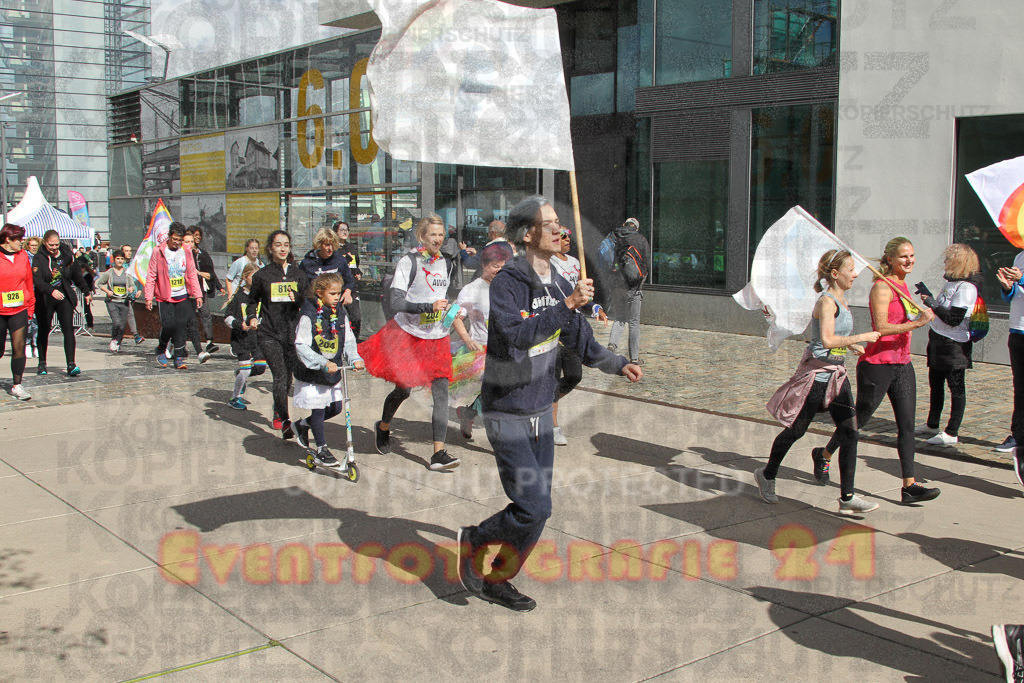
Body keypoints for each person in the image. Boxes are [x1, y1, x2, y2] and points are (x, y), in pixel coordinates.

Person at [457, 195, 642, 611]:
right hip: (507, 411)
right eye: (550, 224)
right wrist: (568, 304)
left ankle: (498, 580)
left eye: (560, 222)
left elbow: (581, 341)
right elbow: (516, 337)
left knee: (537, 511)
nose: (559, 230)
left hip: (541, 410)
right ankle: (476, 538)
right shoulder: (508, 282)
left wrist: (618, 364)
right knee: (534, 505)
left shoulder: (559, 281)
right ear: (528, 234)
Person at [754, 250, 881, 515]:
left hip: (837, 376)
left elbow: (834, 340)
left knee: (850, 432)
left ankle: (847, 497)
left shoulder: (842, 300)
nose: (855, 275)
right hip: (817, 378)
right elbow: (827, 340)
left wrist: (851, 346)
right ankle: (767, 474)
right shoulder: (826, 302)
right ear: (835, 273)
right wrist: (861, 337)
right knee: (796, 430)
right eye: (850, 270)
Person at [817, 237, 940, 504]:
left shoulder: (902, 285)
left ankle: (909, 486)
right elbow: (882, 327)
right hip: (877, 365)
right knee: (858, 422)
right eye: (904, 256)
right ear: (890, 259)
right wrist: (918, 323)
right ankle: (824, 454)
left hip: (902, 363)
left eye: (912, 255)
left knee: (907, 425)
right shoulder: (882, 287)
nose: (909, 260)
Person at [359, 214, 460, 471]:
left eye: (441, 234)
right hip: (409, 334)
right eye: (432, 234)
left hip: (437, 336)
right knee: (403, 390)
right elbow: (396, 302)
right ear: (421, 236)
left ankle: (438, 454)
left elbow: (443, 295)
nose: (437, 239)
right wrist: (428, 306)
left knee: (441, 393)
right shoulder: (409, 262)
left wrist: (451, 309)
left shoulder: (448, 263)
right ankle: (383, 427)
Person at [291, 272, 364, 466]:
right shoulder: (308, 314)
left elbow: (348, 340)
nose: (337, 297)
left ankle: (302, 425)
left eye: (339, 293)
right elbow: (301, 345)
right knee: (319, 409)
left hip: (333, 369)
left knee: (336, 407)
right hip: (314, 370)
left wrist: (355, 358)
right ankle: (321, 449)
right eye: (332, 294)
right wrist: (322, 362)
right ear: (319, 293)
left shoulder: (340, 312)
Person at [914, 244, 982, 447]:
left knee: (956, 387)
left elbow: (954, 318)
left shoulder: (966, 288)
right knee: (936, 384)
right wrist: (930, 298)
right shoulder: (951, 283)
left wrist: (932, 303)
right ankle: (932, 423)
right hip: (938, 339)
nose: (944, 262)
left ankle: (952, 432)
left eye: (948, 259)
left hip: (954, 344)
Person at [246, 230, 309, 439]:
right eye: (278, 244)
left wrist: (297, 297)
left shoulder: (298, 274)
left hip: (291, 333)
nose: (282, 249)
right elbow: (252, 301)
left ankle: (277, 408)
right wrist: (252, 317)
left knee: (288, 377)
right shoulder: (262, 276)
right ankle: (284, 420)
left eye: (286, 245)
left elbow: (308, 301)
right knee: (280, 375)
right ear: (270, 248)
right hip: (269, 333)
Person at [451, 241, 513, 439]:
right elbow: (454, 317)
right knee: (496, 388)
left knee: (501, 389)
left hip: (506, 348)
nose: (499, 271)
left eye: (503, 267)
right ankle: (501, 435)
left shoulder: (508, 287)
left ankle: (469, 413)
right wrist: (467, 339)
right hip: (481, 350)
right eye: (495, 266)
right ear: (484, 265)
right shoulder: (471, 289)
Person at [550, 225, 606, 445]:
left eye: (569, 237)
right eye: (563, 237)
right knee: (553, 377)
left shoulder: (574, 263)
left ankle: (543, 407)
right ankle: (552, 425)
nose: (567, 240)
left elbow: (582, 295)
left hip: (573, 327)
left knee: (574, 375)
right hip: (554, 326)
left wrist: (594, 307)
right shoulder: (547, 262)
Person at [144, 222, 203, 370]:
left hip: (182, 295)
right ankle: (161, 347)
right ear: (169, 236)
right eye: (175, 239)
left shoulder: (186, 251)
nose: (177, 242)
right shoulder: (158, 251)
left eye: (180, 240)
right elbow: (151, 275)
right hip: (164, 296)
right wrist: (148, 297)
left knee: (181, 326)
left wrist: (198, 294)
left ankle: (178, 357)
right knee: (169, 325)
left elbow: (191, 273)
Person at [33, 230, 90, 376]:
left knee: (68, 329)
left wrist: (86, 291)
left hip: (64, 295)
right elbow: (37, 281)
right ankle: (42, 363)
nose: (54, 248)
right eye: (51, 245)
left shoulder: (67, 256)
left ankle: (71, 364)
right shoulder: (39, 258)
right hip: (45, 297)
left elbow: (77, 275)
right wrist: (50, 290)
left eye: (56, 245)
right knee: (44, 329)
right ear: (45, 243)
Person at [996, 253, 1024, 486]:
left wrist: (1022, 278)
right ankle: (1018, 435)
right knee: (1020, 388)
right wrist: (1008, 287)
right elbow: (1014, 296)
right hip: (1017, 330)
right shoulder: (1020, 256)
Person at [223, 263, 266, 410]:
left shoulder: (262, 297)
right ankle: (234, 398)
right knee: (246, 369)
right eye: (253, 277)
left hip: (257, 339)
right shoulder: (238, 296)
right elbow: (227, 317)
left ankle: (240, 374)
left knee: (260, 368)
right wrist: (239, 324)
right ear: (245, 277)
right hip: (241, 339)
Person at [606, 217, 650, 364]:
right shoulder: (641, 239)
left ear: (624, 225)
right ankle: (634, 358)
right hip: (634, 287)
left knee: (619, 318)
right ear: (636, 228)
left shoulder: (615, 237)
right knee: (633, 323)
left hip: (618, 286)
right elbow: (648, 262)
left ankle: (612, 345)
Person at [0, 223, 35, 400]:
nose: (22, 242)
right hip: (0, 311)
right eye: (18, 239)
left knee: (19, 347)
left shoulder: (22, 256)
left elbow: (28, 281)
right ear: (8, 239)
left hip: (19, 309)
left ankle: (17, 385)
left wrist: (30, 306)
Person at [298, 227, 355, 307]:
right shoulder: (307, 263)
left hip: (335, 304)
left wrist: (348, 292)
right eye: (327, 245)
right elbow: (301, 286)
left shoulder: (340, 260)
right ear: (319, 244)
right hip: (314, 305)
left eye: (332, 245)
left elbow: (349, 280)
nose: (330, 248)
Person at [189, 226, 224, 353]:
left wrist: (219, 286)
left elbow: (211, 272)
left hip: (201, 289)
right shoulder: (183, 254)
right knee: (187, 317)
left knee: (206, 314)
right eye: (195, 235)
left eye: (199, 235)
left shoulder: (202, 254)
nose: (198, 237)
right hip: (187, 291)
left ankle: (209, 341)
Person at [178, 232, 210, 364]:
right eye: (187, 242)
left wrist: (198, 295)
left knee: (191, 322)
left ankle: (199, 352)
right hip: (177, 294)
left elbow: (193, 278)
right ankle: (171, 346)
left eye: (192, 241)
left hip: (189, 294)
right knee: (178, 324)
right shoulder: (177, 256)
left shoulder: (193, 256)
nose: (190, 244)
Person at [96, 250, 137, 352]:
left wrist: (131, 289)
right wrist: (107, 291)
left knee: (122, 325)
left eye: (122, 259)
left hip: (124, 301)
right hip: (112, 301)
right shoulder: (109, 273)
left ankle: (118, 342)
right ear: (114, 260)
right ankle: (114, 339)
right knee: (117, 322)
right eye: (118, 258)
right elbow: (100, 283)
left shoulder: (127, 273)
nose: (120, 261)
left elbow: (132, 285)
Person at [334, 221, 363, 340]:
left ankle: (354, 341)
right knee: (336, 316)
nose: (345, 232)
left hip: (351, 287)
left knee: (356, 316)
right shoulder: (333, 248)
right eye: (342, 230)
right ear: (335, 232)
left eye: (346, 230)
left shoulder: (350, 247)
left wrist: (358, 272)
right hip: (337, 287)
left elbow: (355, 264)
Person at [118, 243, 145, 347]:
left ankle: (117, 339)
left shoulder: (134, 263)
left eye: (130, 251)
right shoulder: (120, 264)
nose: (129, 253)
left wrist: (140, 289)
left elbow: (139, 276)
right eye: (126, 251)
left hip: (133, 294)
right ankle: (134, 336)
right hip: (122, 295)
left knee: (125, 317)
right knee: (126, 316)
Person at [22, 236, 41, 358]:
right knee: (28, 320)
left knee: (37, 320)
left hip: (38, 291)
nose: (34, 247)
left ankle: (36, 344)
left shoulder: (40, 257)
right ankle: (27, 344)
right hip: (27, 292)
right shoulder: (24, 257)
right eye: (32, 245)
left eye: (35, 245)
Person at [74, 246, 96, 329]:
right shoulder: (78, 275)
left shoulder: (88, 275)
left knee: (87, 309)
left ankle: (90, 325)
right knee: (77, 308)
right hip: (78, 293)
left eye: (82, 268)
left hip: (86, 293)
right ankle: (77, 323)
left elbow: (89, 285)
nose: (81, 270)